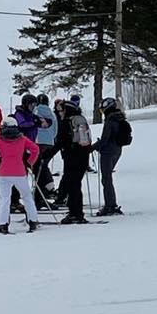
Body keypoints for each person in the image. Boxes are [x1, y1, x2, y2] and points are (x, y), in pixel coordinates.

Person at [0, 117, 39, 233]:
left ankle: (3, 224)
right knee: (27, 197)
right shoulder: (22, 138)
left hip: (4, 172)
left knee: (5, 199)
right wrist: (29, 162)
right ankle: (33, 221)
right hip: (20, 172)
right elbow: (35, 149)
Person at [58, 94, 93, 223]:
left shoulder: (67, 122)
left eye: (61, 110)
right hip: (83, 157)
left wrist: (46, 155)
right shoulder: (81, 119)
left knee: (72, 185)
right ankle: (76, 212)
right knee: (76, 184)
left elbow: (60, 141)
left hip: (71, 157)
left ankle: (75, 213)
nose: (60, 113)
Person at [95, 96, 132, 216]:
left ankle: (110, 205)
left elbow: (105, 139)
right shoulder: (119, 118)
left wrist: (92, 147)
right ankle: (111, 204)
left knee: (106, 179)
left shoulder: (110, 121)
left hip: (108, 152)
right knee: (107, 178)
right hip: (117, 150)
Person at [32, 93, 57, 200]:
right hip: (49, 143)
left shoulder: (35, 112)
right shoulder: (52, 114)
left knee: (38, 167)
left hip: (37, 142)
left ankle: (43, 188)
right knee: (44, 164)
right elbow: (55, 131)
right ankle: (48, 186)